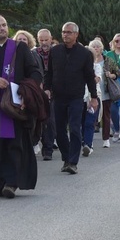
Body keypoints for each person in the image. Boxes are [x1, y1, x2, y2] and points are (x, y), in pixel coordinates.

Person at [0, 15, 42, 198]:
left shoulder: (20, 48)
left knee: (14, 144)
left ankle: (11, 183)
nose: (2, 28)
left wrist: (26, 92)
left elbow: (35, 72)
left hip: (15, 105)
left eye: (4, 25)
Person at [44, 22, 99, 175]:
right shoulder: (55, 51)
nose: (65, 35)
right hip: (58, 96)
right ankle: (66, 158)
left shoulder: (84, 53)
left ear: (76, 34)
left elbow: (89, 77)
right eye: (63, 32)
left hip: (76, 97)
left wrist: (94, 97)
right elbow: (49, 73)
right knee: (60, 130)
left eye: (69, 32)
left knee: (75, 128)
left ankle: (73, 162)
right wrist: (47, 89)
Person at [81, 39, 110, 155]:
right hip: (80, 98)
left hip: (93, 97)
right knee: (80, 122)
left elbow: (97, 79)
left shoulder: (96, 66)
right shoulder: (77, 68)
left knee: (89, 121)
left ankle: (88, 144)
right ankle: (83, 142)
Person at [32, 29, 56, 160]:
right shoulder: (34, 53)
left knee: (50, 120)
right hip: (38, 90)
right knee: (37, 120)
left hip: (53, 90)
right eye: (41, 40)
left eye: (46, 40)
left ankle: (48, 149)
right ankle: (35, 143)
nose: (44, 43)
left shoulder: (56, 52)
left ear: (51, 39)